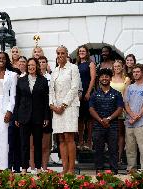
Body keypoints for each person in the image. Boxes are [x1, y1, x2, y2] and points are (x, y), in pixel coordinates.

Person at [14, 58, 49, 174]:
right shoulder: (21, 80)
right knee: (24, 144)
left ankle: (38, 168)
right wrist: (16, 117)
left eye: (33, 65)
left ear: (37, 66)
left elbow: (45, 101)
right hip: (23, 116)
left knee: (37, 144)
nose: (30, 67)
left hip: (38, 117)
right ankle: (24, 168)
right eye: (29, 65)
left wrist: (46, 117)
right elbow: (17, 100)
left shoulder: (43, 81)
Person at [49, 45, 81, 174]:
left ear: (67, 55)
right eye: (58, 53)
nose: (60, 55)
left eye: (62, 53)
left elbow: (74, 88)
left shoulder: (73, 68)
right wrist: (52, 105)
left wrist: (63, 105)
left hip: (69, 107)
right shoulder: (55, 71)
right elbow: (51, 90)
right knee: (61, 138)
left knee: (69, 137)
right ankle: (64, 168)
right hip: (56, 109)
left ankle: (71, 169)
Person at [89, 68, 124, 174]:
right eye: (102, 76)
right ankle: (99, 170)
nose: (104, 78)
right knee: (98, 149)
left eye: (107, 76)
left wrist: (108, 119)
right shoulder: (94, 94)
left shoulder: (117, 93)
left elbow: (120, 108)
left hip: (112, 125)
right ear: (99, 78)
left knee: (113, 149)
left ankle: (114, 171)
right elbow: (91, 109)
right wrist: (100, 120)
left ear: (110, 78)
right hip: (98, 126)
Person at [124, 64, 143, 172]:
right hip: (129, 122)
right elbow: (126, 104)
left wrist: (137, 117)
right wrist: (131, 115)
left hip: (142, 122)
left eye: (138, 72)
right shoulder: (129, 87)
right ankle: (131, 170)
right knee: (130, 149)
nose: (135, 73)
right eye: (134, 72)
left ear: (142, 73)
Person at [110, 60, 131, 164]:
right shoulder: (110, 78)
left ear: (122, 67)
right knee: (111, 134)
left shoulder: (126, 79)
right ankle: (112, 156)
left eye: (118, 66)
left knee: (120, 134)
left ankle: (119, 157)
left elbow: (126, 95)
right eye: (115, 66)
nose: (117, 68)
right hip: (109, 109)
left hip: (121, 108)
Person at [77, 45, 96, 151]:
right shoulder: (77, 65)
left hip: (88, 93)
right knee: (80, 119)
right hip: (79, 95)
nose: (81, 52)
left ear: (87, 52)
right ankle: (80, 141)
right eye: (80, 51)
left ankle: (89, 142)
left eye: (83, 51)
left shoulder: (91, 64)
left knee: (89, 119)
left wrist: (88, 92)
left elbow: (93, 79)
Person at [39, 56, 53, 170]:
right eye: (40, 62)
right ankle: (34, 166)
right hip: (36, 110)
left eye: (44, 62)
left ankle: (45, 165)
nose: (41, 64)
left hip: (48, 109)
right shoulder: (34, 77)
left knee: (46, 141)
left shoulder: (50, 77)